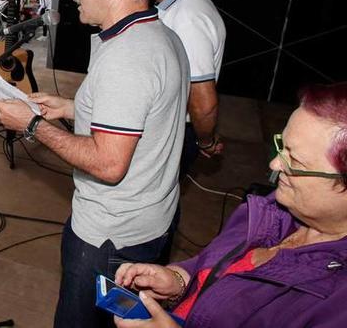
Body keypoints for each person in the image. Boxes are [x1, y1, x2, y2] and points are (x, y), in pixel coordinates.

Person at [0, 0, 189, 328]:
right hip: (151, 219)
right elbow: (143, 118)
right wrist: (71, 108)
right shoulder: (158, 35)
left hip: (109, 239)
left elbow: (109, 164)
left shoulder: (127, 57)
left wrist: (32, 125)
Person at [113, 83, 347, 328]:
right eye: (282, 147)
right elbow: (217, 266)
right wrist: (179, 280)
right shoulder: (271, 209)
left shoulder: (338, 304)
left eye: (295, 160)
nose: (275, 165)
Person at [143, 0, 227, 172]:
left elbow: (203, 102)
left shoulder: (188, 17)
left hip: (175, 132)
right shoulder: (176, 8)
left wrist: (205, 141)